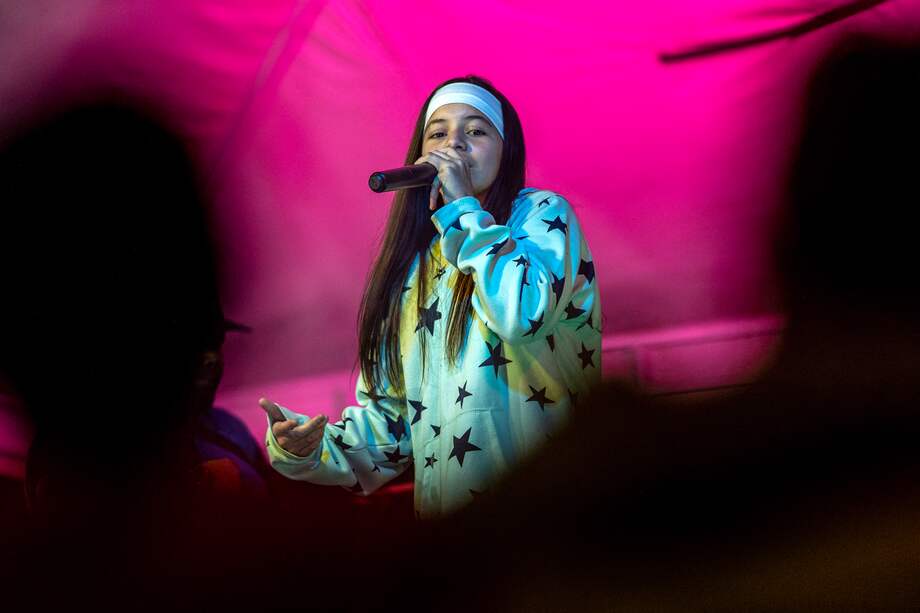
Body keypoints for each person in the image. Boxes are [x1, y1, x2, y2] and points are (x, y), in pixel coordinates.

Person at [261, 75, 602, 519]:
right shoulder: (413, 268)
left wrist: (463, 210)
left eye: (476, 131)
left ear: (507, 148)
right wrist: (308, 449)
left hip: (546, 522)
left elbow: (522, 313)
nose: (454, 144)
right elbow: (393, 422)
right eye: (438, 133)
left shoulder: (542, 216)